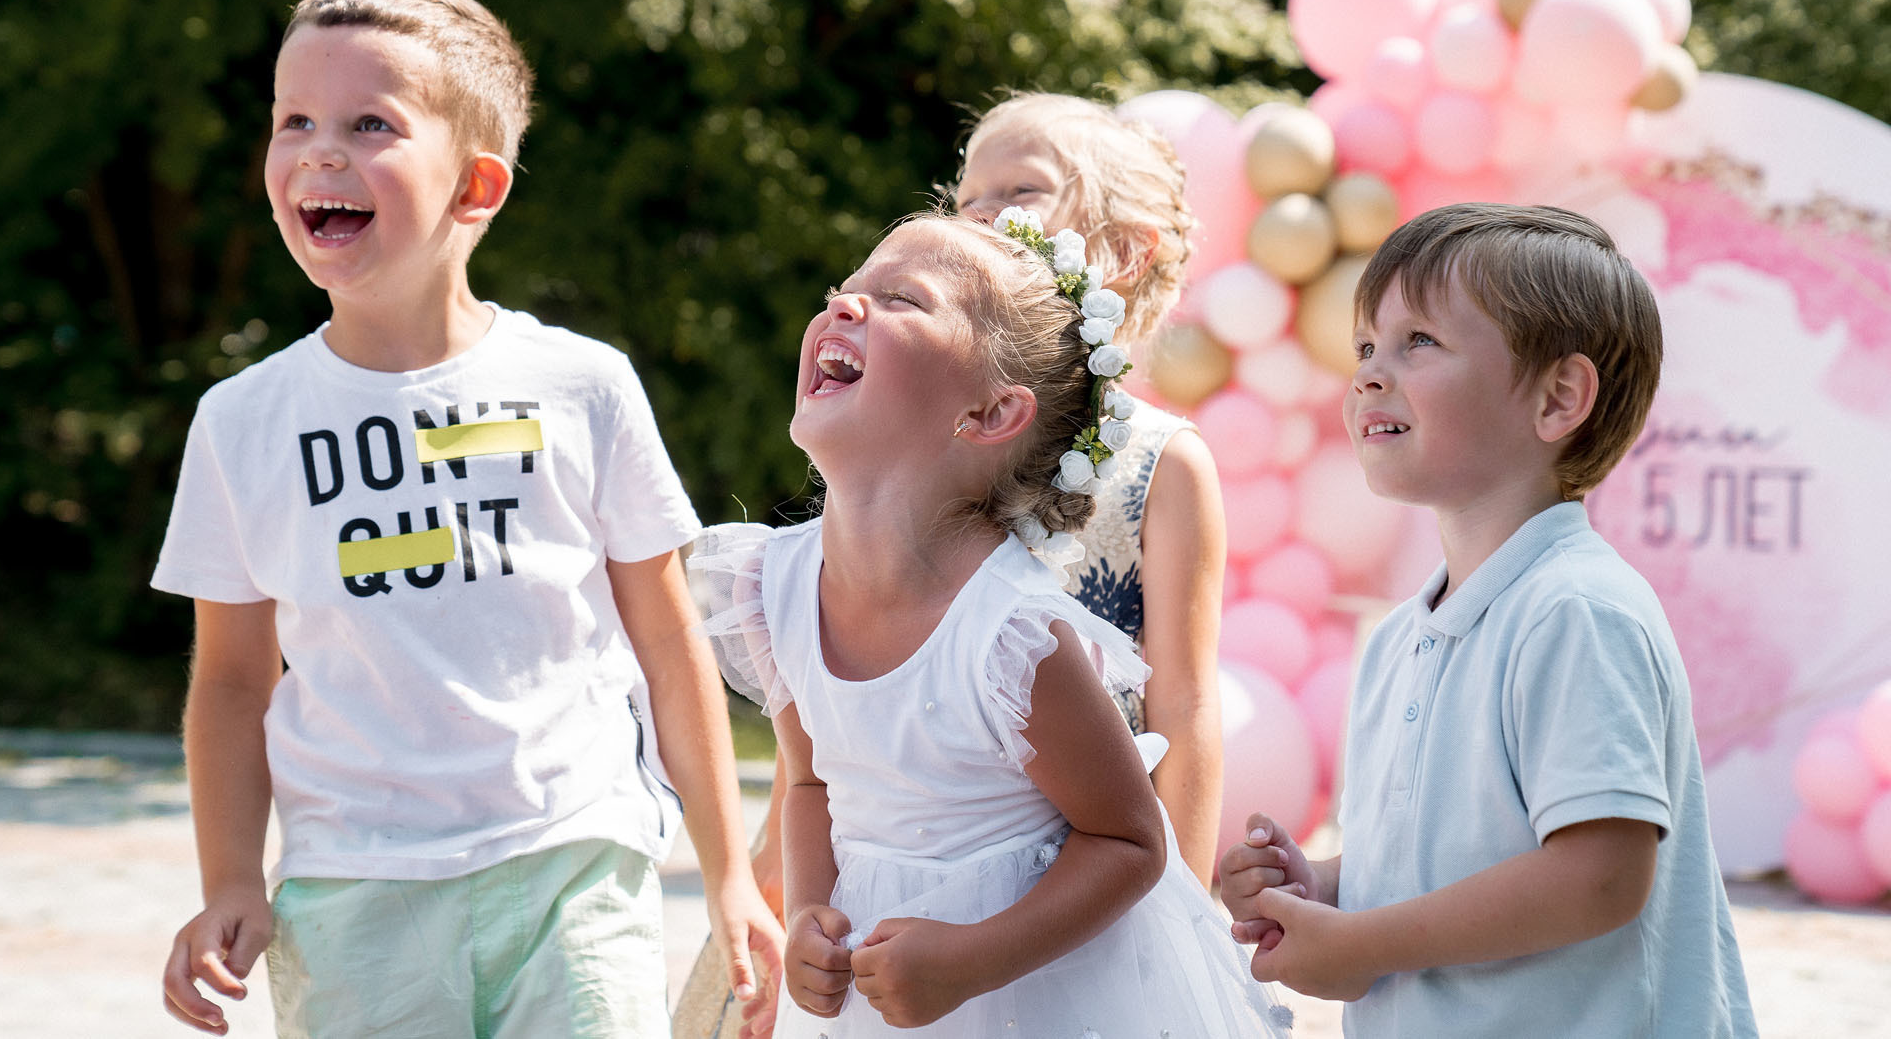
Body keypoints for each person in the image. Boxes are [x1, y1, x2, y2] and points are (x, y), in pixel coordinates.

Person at [152, 0, 782, 1037]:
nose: (317, 150)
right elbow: (228, 683)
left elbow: (670, 646)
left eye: (369, 125)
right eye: (292, 120)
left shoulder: (582, 385)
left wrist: (730, 879)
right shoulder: (240, 422)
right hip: (351, 892)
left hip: (572, 861)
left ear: (475, 188)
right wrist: (230, 881)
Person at [696, 209, 1291, 1035]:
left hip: (1026, 988)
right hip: (874, 992)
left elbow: (1128, 844)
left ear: (986, 414)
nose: (844, 305)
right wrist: (806, 913)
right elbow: (808, 783)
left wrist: (973, 958)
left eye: (901, 297)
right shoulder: (773, 587)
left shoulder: (1011, 636)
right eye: (844, 287)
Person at [1219, 203, 1757, 1037]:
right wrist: (1322, 886)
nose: (1367, 372)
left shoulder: (1575, 610)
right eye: (1366, 345)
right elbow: (1434, 864)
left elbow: (1600, 876)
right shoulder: (1403, 636)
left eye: (1419, 342)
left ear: (1559, 396)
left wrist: (1361, 941)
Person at [954, 92, 1229, 883]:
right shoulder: (916, 428)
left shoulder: (1162, 461)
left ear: (1124, 251)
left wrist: (1182, 912)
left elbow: (1184, 703)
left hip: (1084, 869)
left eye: (1018, 192)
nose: (981, 218)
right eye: (968, 198)